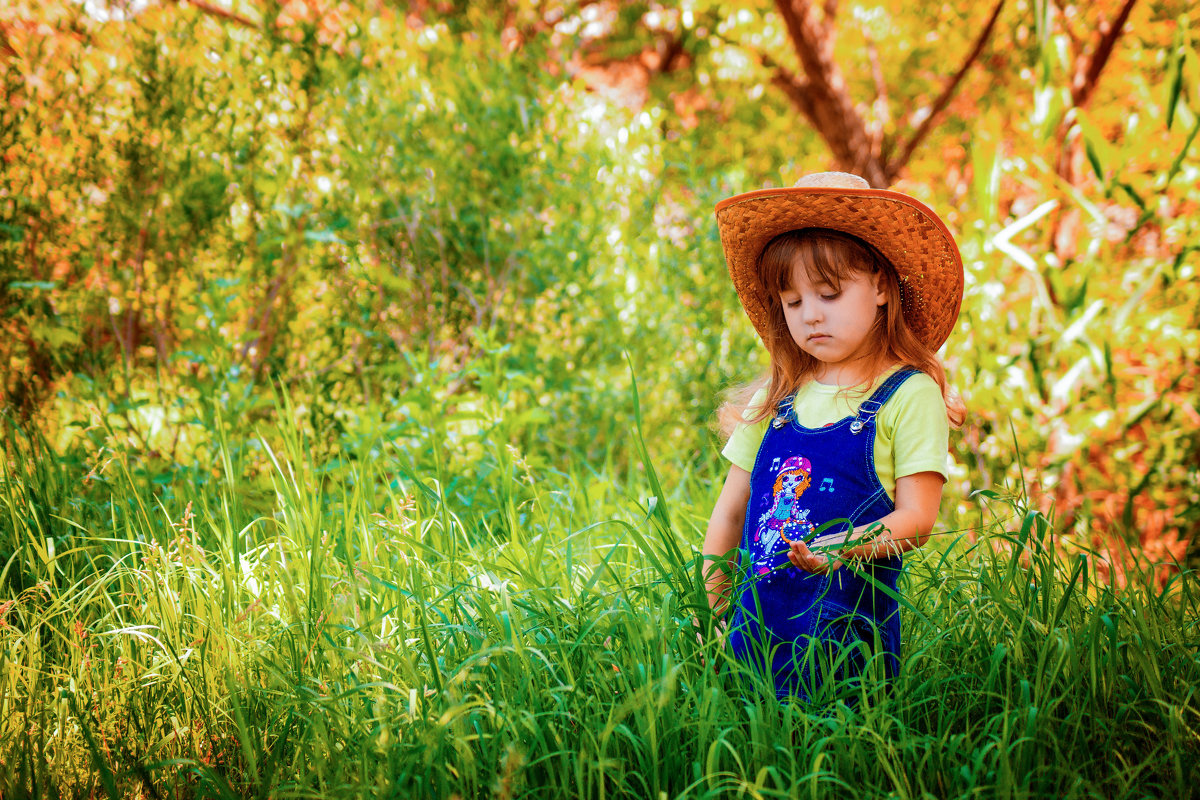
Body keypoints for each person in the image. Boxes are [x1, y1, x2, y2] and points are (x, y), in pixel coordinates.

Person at [704, 171, 965, 704]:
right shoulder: (777, 396)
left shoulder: (907, 394)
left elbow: (917, 519)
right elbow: (731, 510)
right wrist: (713, 616)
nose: (810, 315)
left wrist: (843, 547)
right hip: (752, 639)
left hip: (850, 650)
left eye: (828, 293)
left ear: (881, 288)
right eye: (792, 301)